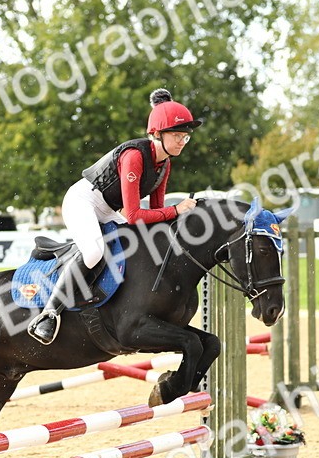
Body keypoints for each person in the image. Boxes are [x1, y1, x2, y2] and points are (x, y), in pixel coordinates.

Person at [27, 88, 202, 344]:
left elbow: (156, 211)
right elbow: (133, 215)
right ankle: (49, 314)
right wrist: (177, 210)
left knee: (136, 244)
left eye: (185, 137)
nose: (181, 142)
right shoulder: (134, 157)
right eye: (176, 135)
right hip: (82, 201)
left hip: (108, 208)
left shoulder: (164, 164)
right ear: (156, 133)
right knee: (94, 253)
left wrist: (178, 221)